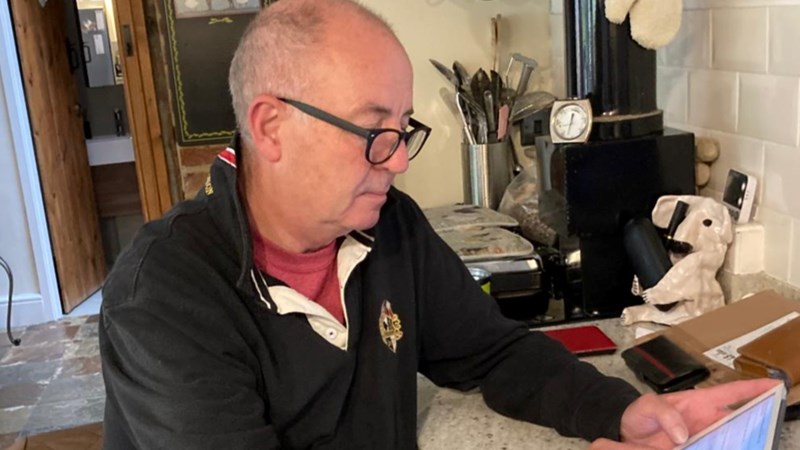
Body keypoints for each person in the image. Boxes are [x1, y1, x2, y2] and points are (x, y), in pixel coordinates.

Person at [98, 0, 778, 449]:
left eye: (403, 129)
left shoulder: (388, 227)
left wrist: (624, 411)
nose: (397, 161)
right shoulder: (164, 297)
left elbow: (495, 352)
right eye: (373, 131)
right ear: (272, 127)